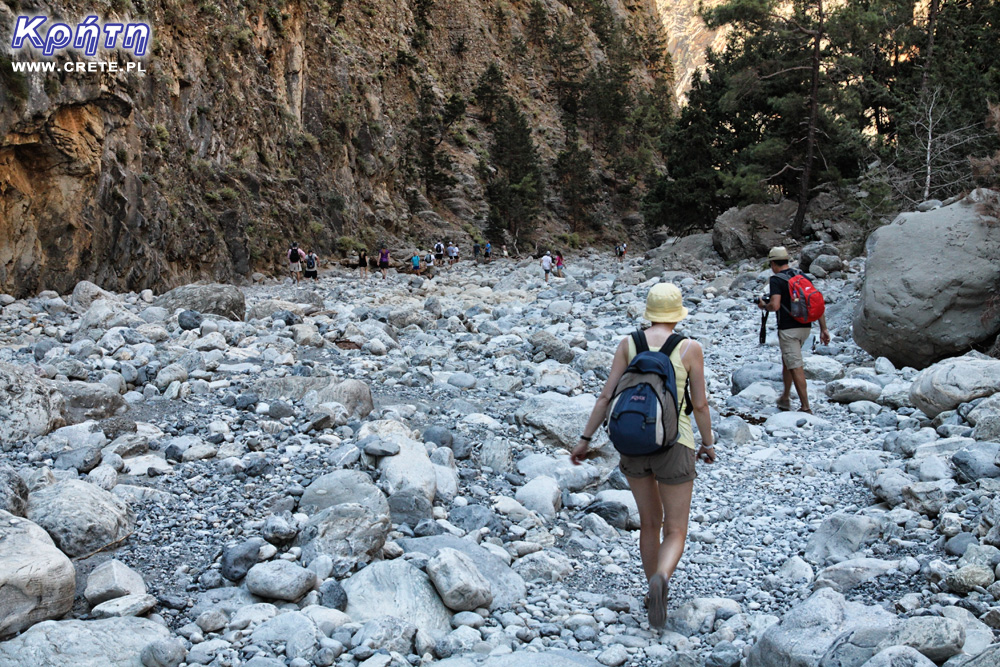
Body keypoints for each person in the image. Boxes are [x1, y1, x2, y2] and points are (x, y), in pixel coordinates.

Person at [571, 283, 715, 628]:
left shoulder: (628, 344)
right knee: (676, 528)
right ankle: (662, 579)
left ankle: (652, 592)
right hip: (675, 443)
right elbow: (699, 404)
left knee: (650, 523)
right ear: (678, 314)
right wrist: (708, 444)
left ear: (648, 312)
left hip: (633, 444)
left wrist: (585, 439)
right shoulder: (689, 348)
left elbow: (606, 397)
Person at [757, 246, 831, 414]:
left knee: (795, 365)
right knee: (787, 361)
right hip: (805, 327)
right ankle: (784, 397)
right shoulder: (801, 276)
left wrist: (763, 305)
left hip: (788, 330)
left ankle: (806, 407)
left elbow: (775, 305)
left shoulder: (776, 280)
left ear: (773, 263)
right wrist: (823, 329)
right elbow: (816, 303)